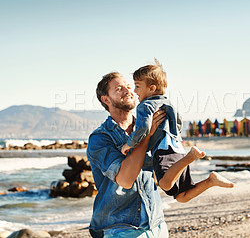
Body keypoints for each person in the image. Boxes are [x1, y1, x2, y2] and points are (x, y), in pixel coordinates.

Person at [121, 59, 235, 203]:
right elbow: (179, 122)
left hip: (164, 150)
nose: (135, 90)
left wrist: (129, 144)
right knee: (182, 196)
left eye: (137, 86)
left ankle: (191, 157)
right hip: (177, 149)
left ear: (151, 88)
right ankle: (211, 180)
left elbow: (142, 128)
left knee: (164, 184)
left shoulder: (145, 106)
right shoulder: (168, 103)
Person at [87, 72, 168, 238]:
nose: (128, 91)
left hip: (157, 223)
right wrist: (146, 135)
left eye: (128, 86)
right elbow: (125, 179)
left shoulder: (151, 124)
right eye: (119, 89)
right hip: (121, 229)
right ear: (106, 99)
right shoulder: (100, 138)